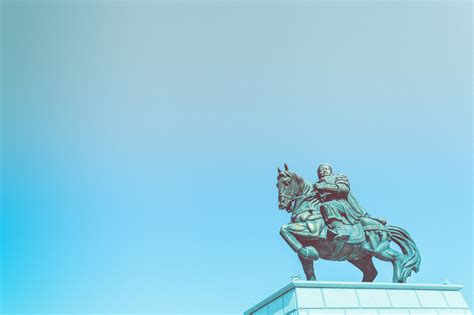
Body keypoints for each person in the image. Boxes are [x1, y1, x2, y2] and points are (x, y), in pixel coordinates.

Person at [314, 163, 367, 242]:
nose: (324, 171)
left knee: (327, 205)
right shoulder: (316, 185)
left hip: (342, 203)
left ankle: (340, 229)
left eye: (326, 169)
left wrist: (324, 187)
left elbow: (344, 189)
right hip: (324, 209)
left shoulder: (338, 177)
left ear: (330, 171)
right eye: (321, 170)